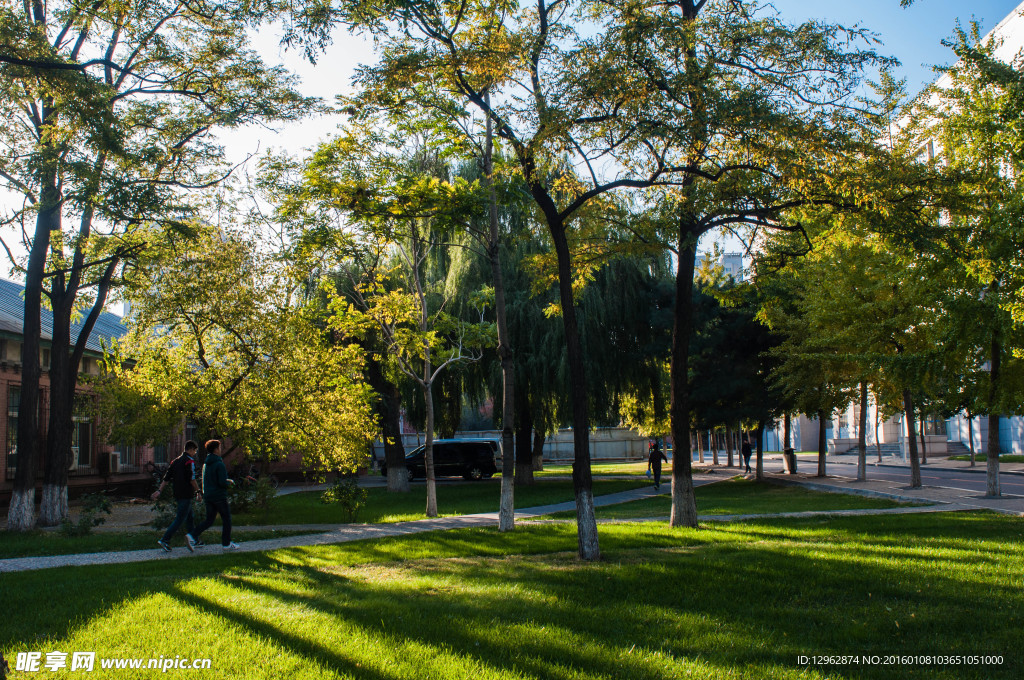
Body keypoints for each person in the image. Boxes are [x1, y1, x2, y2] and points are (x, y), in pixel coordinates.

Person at [186, 439, 239, 552]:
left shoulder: (206, 463)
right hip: (219, 496)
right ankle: (226, 543)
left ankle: (192, 535)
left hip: (208, 495)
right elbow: (221, 482)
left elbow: (208, 480)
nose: (220, 450)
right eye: (219, 447)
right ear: (215, 449)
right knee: (227, 519)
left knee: (209, 520)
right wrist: (229, 482)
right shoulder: (219, 464)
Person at [152, 441, 202, 552]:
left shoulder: (175, 461)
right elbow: (192, 479)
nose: (195, 453)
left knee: (190, 517)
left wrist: (159, 490)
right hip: (186, 493)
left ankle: (195, 539)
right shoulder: (189, 461)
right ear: (190, 449)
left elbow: (167, 477)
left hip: (178, 493)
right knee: (180, 519)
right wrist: (198, 491)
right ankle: (165, 539)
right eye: (195, 450)